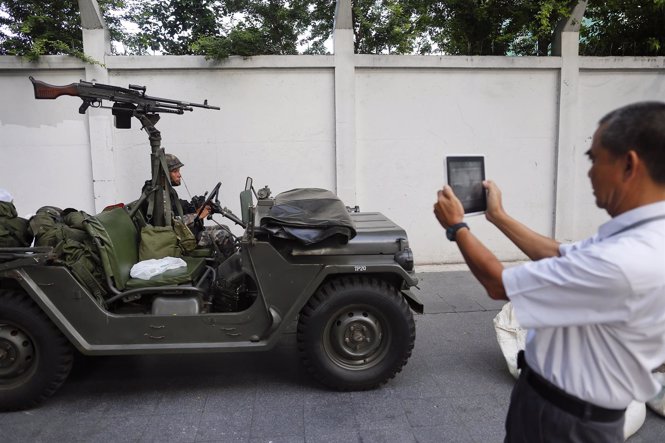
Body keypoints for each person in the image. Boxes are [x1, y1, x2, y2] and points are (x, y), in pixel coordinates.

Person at [433, 101, 665, 442]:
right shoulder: (643, 237)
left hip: (565, 424)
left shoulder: (623, 260)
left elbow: (498, 285)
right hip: (566, 410)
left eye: (594, 159)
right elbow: (555, 252)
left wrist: (457, 228)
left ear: (629, 165)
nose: (589, 172)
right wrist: (499, 216)